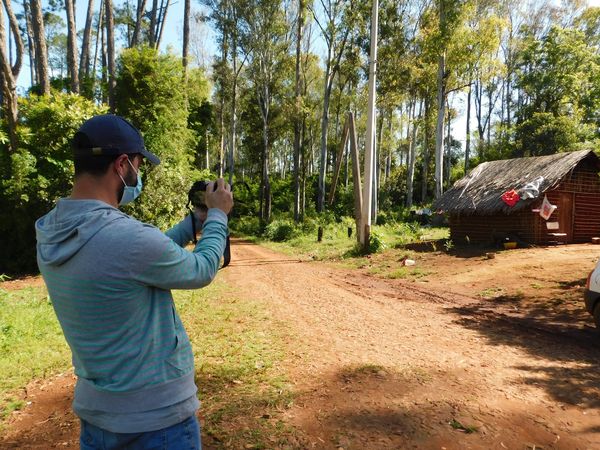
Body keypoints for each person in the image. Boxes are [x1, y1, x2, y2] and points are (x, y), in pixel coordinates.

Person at [35, 114, 233, 449]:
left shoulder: (52, 231)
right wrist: (217, 216)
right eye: (139, 166)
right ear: (122, 164)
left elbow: (134, 260)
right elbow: (200, 269)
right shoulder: (125, 238)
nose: (138, 176)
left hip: (98, 418)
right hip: (157, 421)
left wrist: (193, 223)